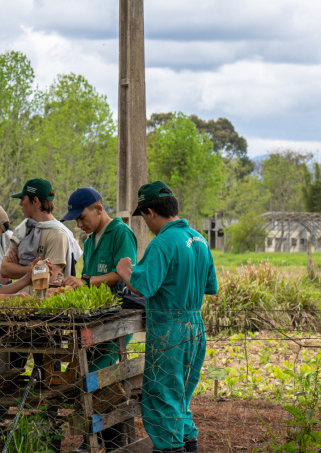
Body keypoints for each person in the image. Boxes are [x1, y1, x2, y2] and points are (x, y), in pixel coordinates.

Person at [116, 182, 218, 453]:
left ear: (150, 211)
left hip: (169, 329)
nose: (146, 223)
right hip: (195, 326)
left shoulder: (162, 242)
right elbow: (211, 286)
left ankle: (169, 449)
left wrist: (126, 270)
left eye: (144, 217)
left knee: (161, 398)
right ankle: (189, 446)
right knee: (181, 397)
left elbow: (143, 286)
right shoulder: (199, 239)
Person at [60, 187, 138, 453]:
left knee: (98, 372)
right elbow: (87, 281)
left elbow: (123, 274)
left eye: (82, 218)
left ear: (99, 209)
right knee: (87, 370)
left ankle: (93, 438)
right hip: (93, 318)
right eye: (77, 221)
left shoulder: (121, 233)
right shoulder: (91, 240)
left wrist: (86, 282)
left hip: (117, 317)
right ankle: (106, 435)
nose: (80, 224)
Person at [1, 178, 82, 288]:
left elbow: (49, 278)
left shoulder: (57, 234)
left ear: (35, 201)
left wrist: (20, 268)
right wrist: (33, 270)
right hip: (21, 300)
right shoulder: (22, 230)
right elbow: (4, 270)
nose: (20, 203)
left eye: (23, 199)